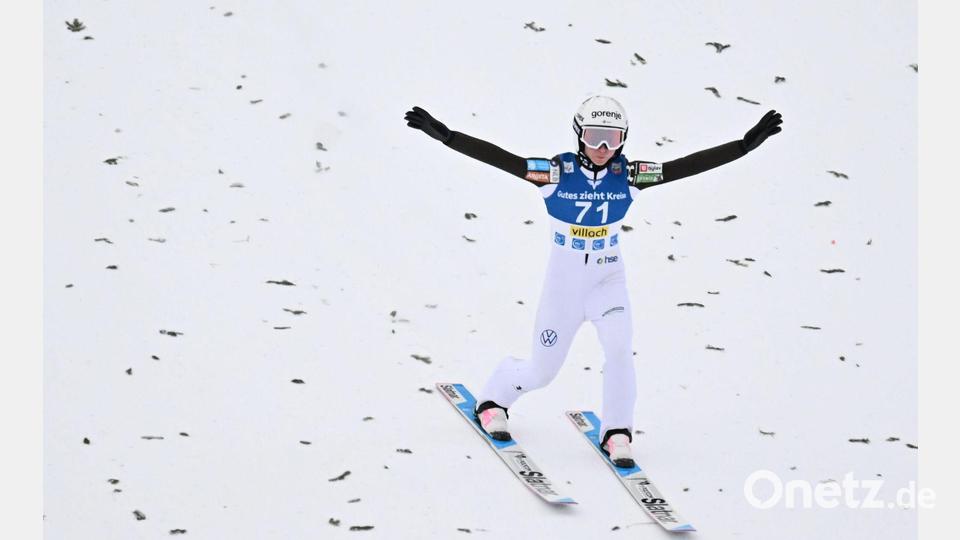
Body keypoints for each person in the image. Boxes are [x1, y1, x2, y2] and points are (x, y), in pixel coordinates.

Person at [404, 96, 782, 467]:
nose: (603, 147)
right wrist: (449, 136)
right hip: (564, 287)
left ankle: (617, 431)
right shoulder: (554, 173)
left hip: (607, 280)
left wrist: (742, 147)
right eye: (594, 136)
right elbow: (504, 160)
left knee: (619, 349)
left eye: (613, 138)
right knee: (542, 370)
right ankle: (494, 399)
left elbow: (683, 167)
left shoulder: (631, 176)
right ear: (579, 135)